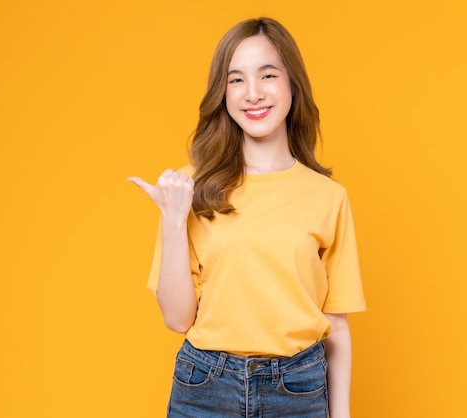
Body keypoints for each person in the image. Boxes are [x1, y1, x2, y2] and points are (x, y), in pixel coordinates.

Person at [128, 17, 366, 418]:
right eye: (236, 80)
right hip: (205, 386)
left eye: (268, 75)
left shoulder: (328, 197)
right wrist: (173, 220)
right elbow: (177, 318)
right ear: (223, 93)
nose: (252, 94)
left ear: (293, 83)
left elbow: (336, 327)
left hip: (299, 387)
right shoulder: (189, 188)